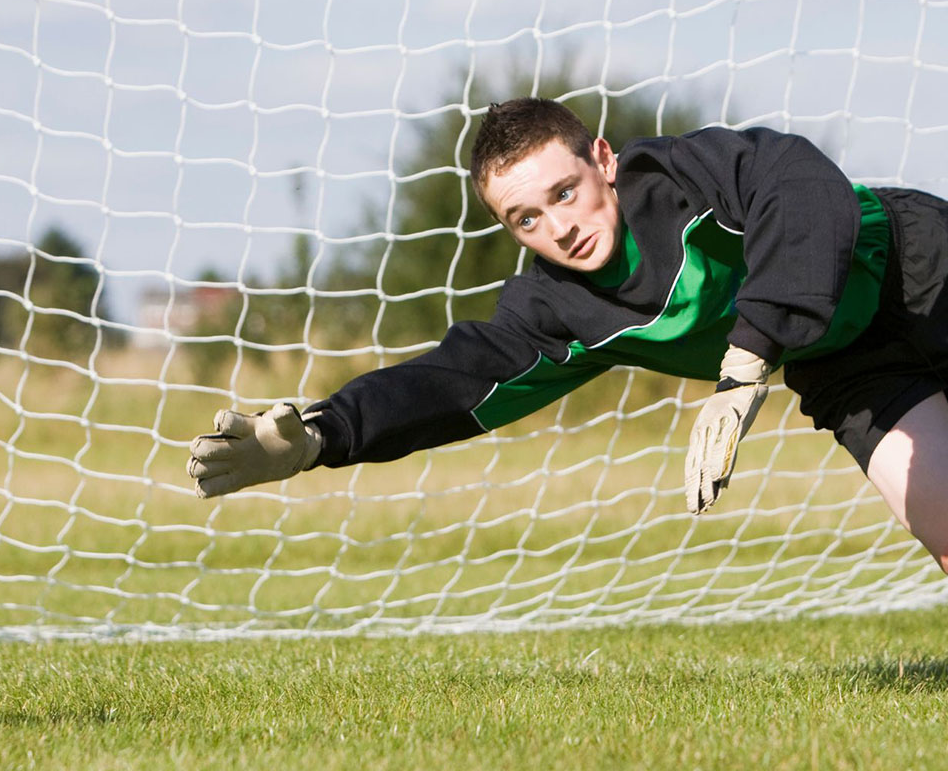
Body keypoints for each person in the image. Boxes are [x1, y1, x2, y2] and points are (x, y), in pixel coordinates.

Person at [187, 98, 948, 573]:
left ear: (604, 162)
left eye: (565, 192)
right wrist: (325, 433)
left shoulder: (687, 175)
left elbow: (802, 186)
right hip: (851, 370)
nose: (560, 227)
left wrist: (747, 359)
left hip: (923, 270)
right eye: (527, 218)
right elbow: (454, 379)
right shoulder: (556, 311)